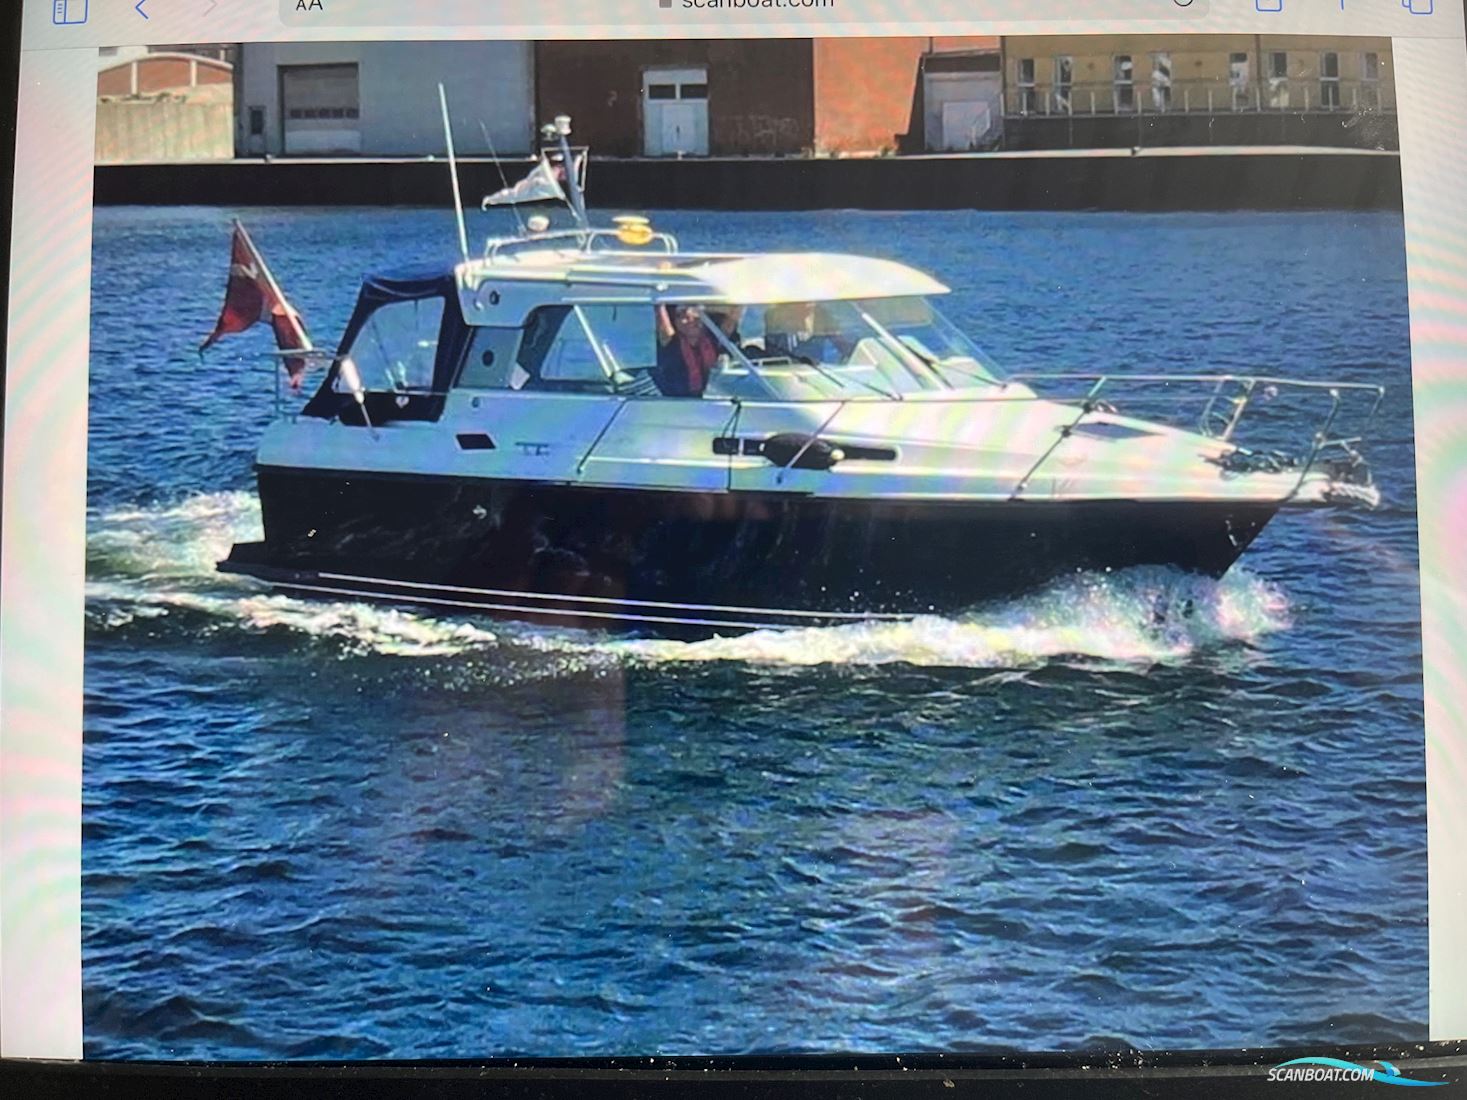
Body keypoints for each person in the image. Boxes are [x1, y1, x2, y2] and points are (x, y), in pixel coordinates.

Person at [654, 304, 741, 397]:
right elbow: (661, 313)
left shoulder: (715, 338)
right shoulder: (670, 342)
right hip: (677, 402)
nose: (690, 321)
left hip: (714, 398)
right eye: (681, 315)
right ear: (674, 321)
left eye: (696, 316)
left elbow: (734, 314)